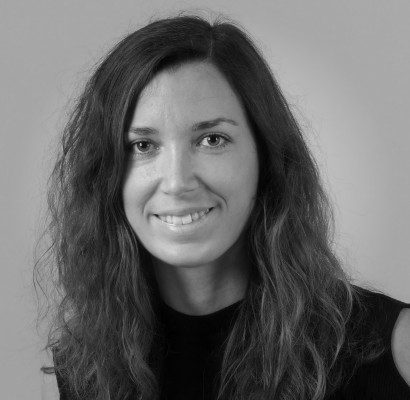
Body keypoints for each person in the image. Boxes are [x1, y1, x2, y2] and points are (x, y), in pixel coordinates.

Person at [37, 14, 410, 400]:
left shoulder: (400, 345)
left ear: (265, 156)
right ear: (106, 176)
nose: (177, 181)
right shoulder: (77, 369)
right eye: (143, 146)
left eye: (212, 140)